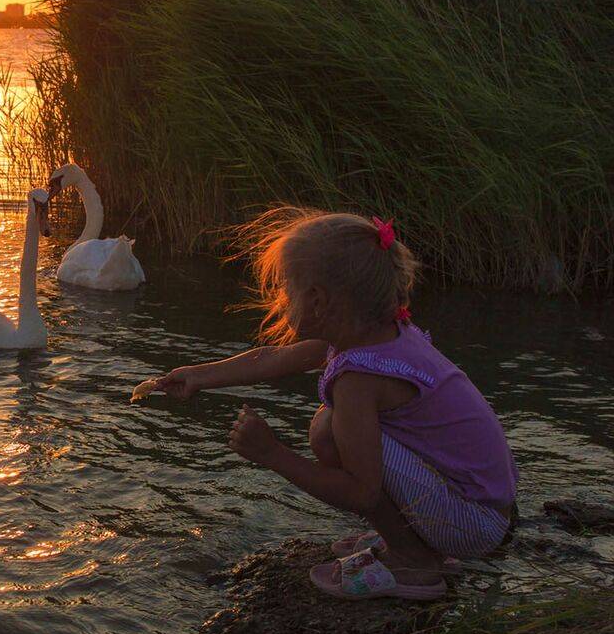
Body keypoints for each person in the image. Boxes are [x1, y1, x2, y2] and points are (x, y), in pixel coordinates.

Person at [153, 209, 517, 600]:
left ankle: (414, 561)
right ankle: (407, 540)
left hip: (471, 524)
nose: (281, 300)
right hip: (485, 508)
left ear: (318, 300)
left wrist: (271, 454)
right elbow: (272, 359)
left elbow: (361, 493)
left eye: (286, 290)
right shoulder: (375, 336)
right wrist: (200, 375)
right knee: (334, 425)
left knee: (329, 430)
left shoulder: (358, 380)